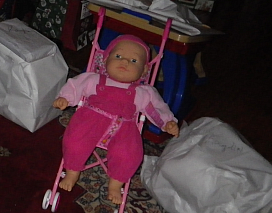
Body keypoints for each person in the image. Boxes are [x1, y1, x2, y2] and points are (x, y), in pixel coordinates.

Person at [53, 34, 179, 204]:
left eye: (134, 61)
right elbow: (75, 86)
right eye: (118, 56)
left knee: (129, 154)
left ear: (144, 71)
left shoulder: (143, 92)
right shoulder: (93, 79)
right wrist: (65, 98)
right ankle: (72, 171)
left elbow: (156, 108)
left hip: (124, 128)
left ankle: (115, 184)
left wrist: (167, 122)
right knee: (75, 140)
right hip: (90, 120)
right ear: (105, 61)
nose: (125, 62)